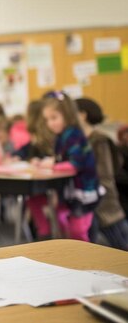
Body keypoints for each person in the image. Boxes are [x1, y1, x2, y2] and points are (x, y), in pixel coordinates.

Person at [27, 91, 99, 241]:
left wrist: (52, 165)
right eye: (47, 120)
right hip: (68, 190)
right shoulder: (62, 135)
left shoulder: (74, 134)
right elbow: (61, 158)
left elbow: (75, 165)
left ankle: (84, 257)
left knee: (77, 230)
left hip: (84, 191)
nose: (50, 123)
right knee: (44, 205)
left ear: (67, 115)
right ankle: (47, 234)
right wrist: (47, 162)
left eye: (54, 118)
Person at [75, 98, 128, 250]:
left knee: (121, 246)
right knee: (92, 247)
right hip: (88, 201)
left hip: (105, 204)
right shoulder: (81, 140)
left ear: (82, 115)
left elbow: (105, 176)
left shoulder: (99, 140)